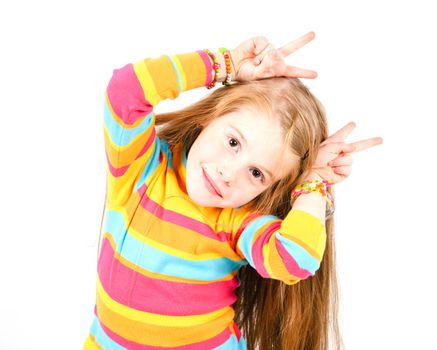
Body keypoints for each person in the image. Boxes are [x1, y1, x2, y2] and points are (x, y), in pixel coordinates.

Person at [83, 31, 383, 350]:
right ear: (210, 116)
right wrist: (224, 65)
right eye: (233, 142)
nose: (229, 173)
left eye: (256, 173)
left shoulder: (237, 224)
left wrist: (315, 183)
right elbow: (126, 89)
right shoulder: (141, 170)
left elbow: (296, 258)